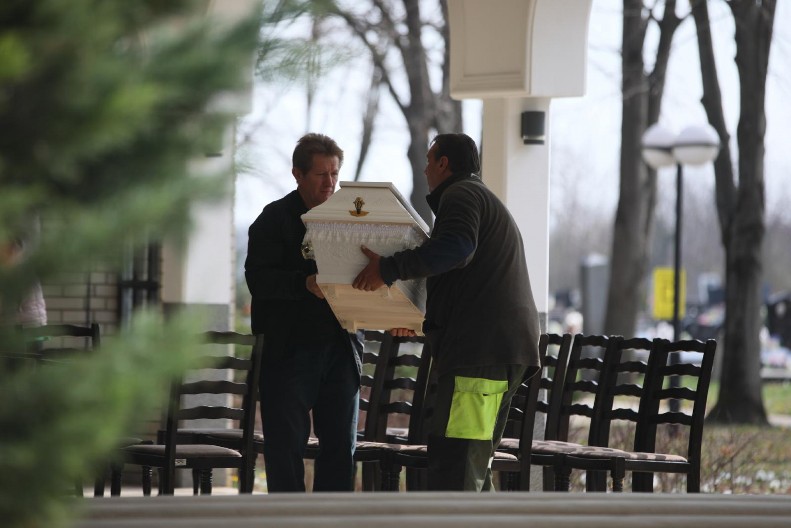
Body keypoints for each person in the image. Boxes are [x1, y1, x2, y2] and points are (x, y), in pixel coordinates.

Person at [352, 133, 541, 491]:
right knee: (469, 465)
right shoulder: (474, 196)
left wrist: (388, 270)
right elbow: (464, 281)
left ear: (443, 163)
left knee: (457, 465)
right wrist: (419, 322)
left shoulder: (462, 194)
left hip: (482, 353)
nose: (424, 169)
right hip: (491, 349)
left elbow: (457, 249)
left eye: (429, 160)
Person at [245, 133, 362, 492]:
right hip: (289, 352)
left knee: (342, 449)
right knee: (286, 449)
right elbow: (258, 280)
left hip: (341, 348)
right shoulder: (273, 219)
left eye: (335, 174)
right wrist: (303, 283)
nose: (330, 183)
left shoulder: (349, 219)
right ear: (297, 174)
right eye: (320, 175)